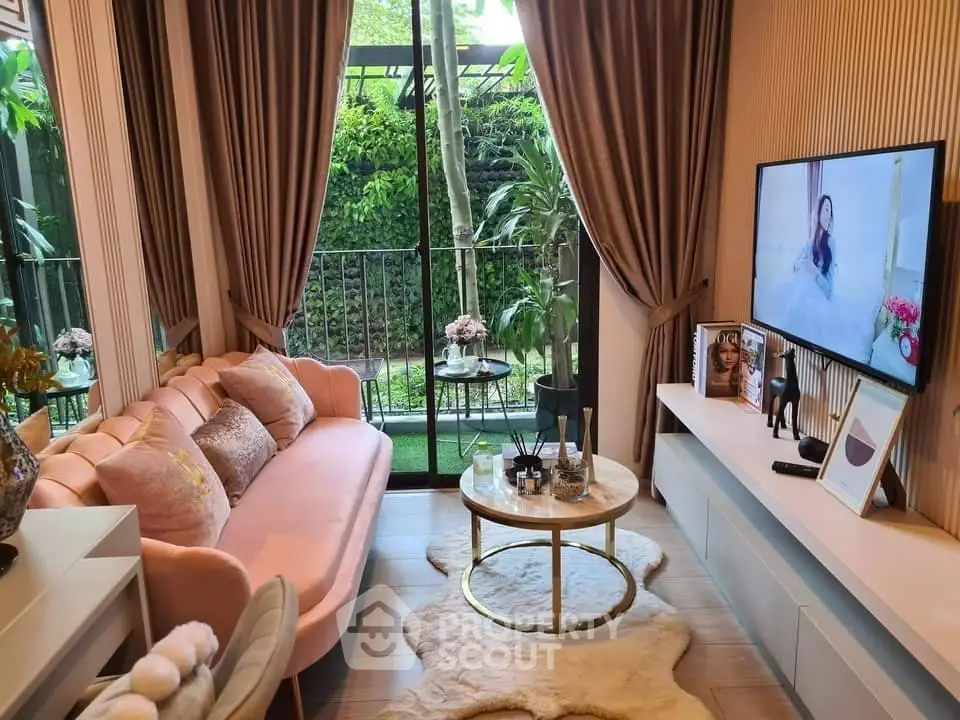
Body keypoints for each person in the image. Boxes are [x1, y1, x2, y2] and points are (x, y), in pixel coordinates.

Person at [793, 194, 837, 299]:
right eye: (826, 209)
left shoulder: (831, 243)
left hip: (820, 304)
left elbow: (829, 293)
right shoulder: (809, 245)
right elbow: (794, 268)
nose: (829, 216)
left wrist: (813, 270)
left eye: (830, 213)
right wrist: (802, 265)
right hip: (805, 298)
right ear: (818, 211)